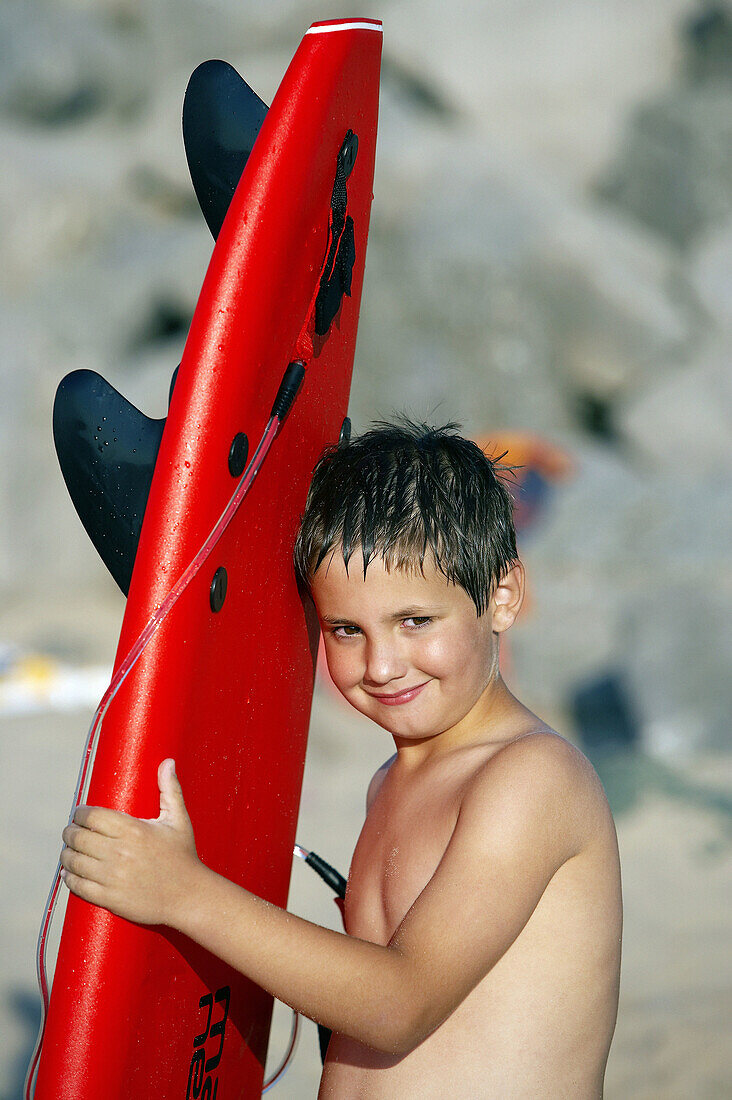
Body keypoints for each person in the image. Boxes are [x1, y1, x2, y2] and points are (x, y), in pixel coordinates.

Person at [60, 418, 623, 1098]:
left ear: (501, 596)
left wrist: (183, 892)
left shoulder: (533, 778)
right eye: (346, 630)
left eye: (416, 621)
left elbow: (400, 1006)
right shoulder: (392, 778)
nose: (382, 665)